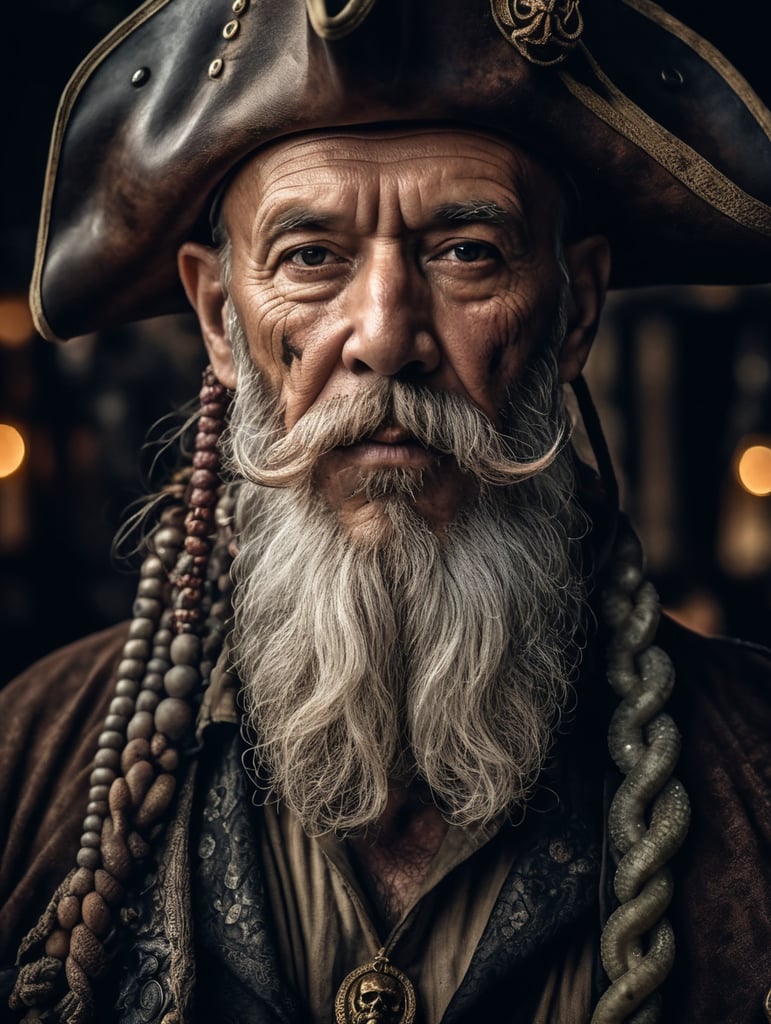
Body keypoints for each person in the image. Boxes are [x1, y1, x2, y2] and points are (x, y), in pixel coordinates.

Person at [2, 1, 771, 1022]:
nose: (384, 336)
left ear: (576, 308)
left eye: (465, 251)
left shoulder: (752, 779)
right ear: (218, 321)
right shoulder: (26, 771)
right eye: (310, 255)